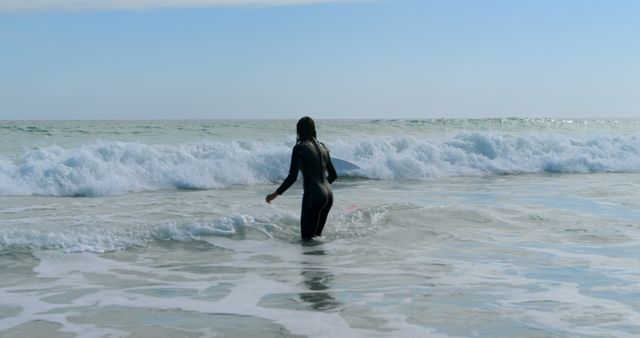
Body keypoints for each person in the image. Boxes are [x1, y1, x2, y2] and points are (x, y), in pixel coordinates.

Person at [266, 116, 337, 240]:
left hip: (314, 196)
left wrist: (275, 194)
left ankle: (309, 260)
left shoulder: (300, 148)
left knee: (307, 240)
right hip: (329, 195)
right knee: (317, 238)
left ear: (299, 131)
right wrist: (322, 189)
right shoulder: (323, 147)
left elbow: (292, 177)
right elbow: (334, 175)